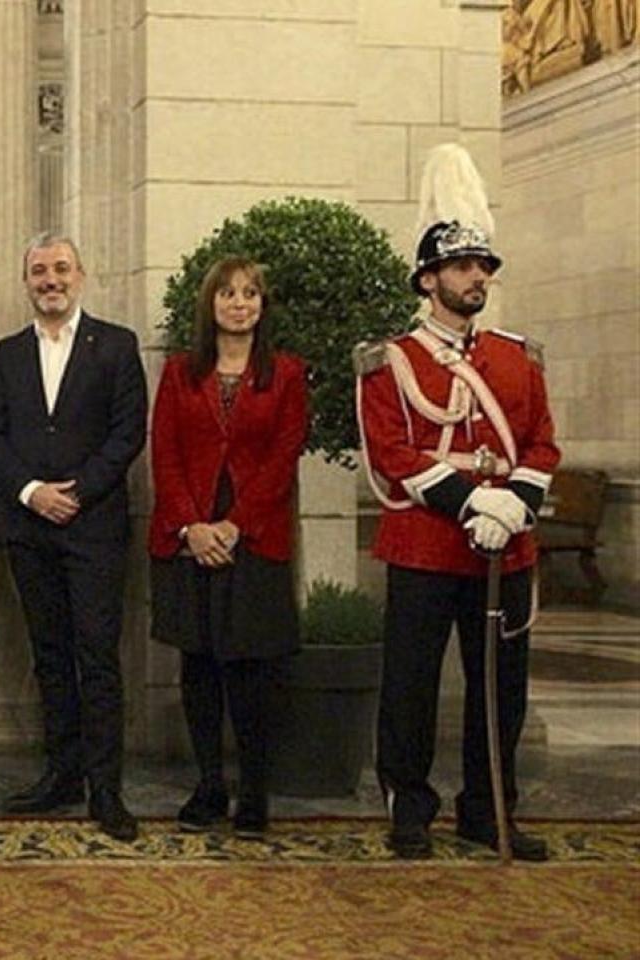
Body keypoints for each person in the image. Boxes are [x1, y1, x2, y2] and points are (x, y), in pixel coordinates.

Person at [357, 186, 559, 861]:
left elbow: (541, 444)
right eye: (465, 265)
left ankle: (489, 809)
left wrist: (516, 506)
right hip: (426, 545)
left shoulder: (516, 356)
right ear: (429, 278)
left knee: (500, 691)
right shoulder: (393, 361)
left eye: (484, 266)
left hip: (509, 551)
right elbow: (392, 452)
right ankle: (409, 808)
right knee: (410, 686)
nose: (479, 276)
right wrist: (478, 503)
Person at [0, 232, 146, 840]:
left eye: (61, 269)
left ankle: (107, 789)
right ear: (27, 281)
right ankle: (61, 775)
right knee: (47, 657)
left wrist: (77, 491)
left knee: (97, 658)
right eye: (40, 271)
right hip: (28, 529)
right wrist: (30, 492)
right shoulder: (9, 352)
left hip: (93, 527)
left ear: (81, 275)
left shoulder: (117, 346)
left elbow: (128, 433)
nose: (51, 280)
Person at [148, 257, 308, 838]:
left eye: (249, 294)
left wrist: (235, 525)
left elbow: (283, 456)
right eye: (227, 294)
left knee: (250, 670)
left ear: (262, 307)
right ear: (209, 304)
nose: (238, 303)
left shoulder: (286, 373)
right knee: (200, 664)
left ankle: (255, 791)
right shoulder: (179, 372)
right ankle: (209, 784)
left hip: (255, 539)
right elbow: (163, 454)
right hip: (188, 538)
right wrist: (192, 526)